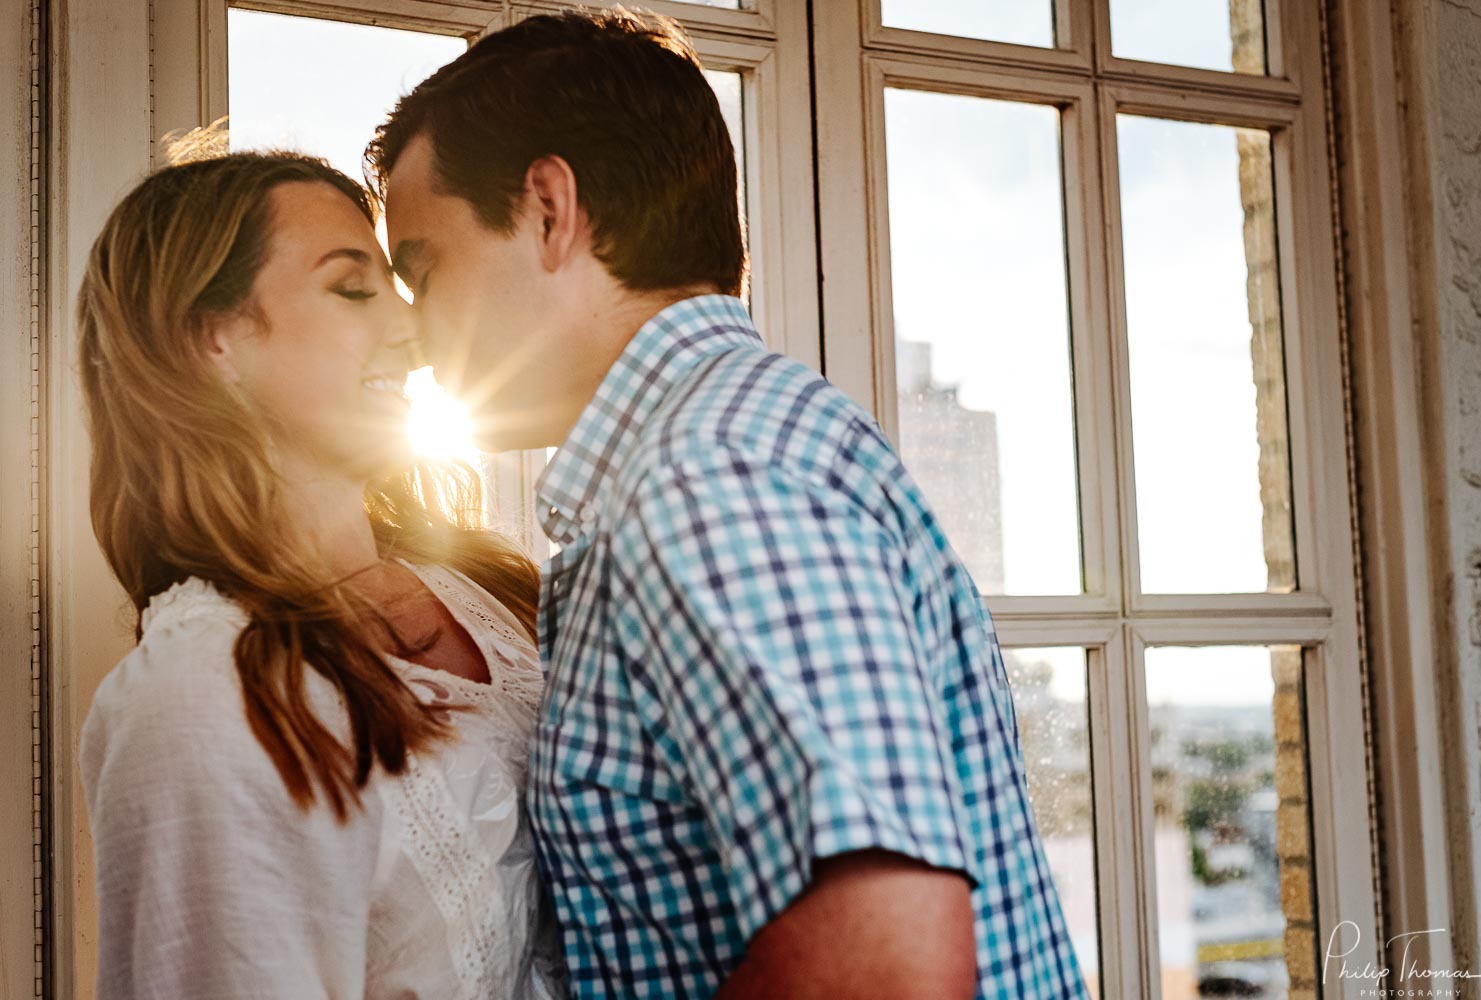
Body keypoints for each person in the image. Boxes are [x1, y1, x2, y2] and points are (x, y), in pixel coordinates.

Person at [368, 10, 1088, 999]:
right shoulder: (739, 442)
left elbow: (886, 968)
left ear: (547, 208)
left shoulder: (703, 483)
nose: (409, 333)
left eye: (422, 267)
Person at [77, 151, 565, 999]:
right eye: (352, 288)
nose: (414, 331)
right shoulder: (200, 696)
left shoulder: (493, 589)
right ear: (212, 339)